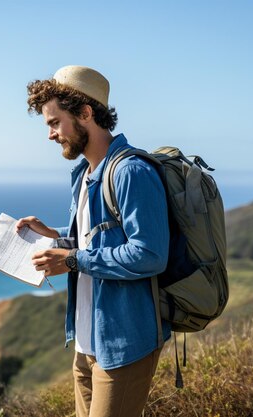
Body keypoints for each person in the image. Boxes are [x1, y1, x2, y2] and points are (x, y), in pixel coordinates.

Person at [16, 65, 171, 417]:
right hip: (86, 344)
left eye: (55, 123)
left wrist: (72, 260)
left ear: (86, 113)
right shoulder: (84, 175)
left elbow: (149, 253)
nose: (51, 135)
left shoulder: (132, 171)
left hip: (125, 345)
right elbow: (98, 240)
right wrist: (58, 237)